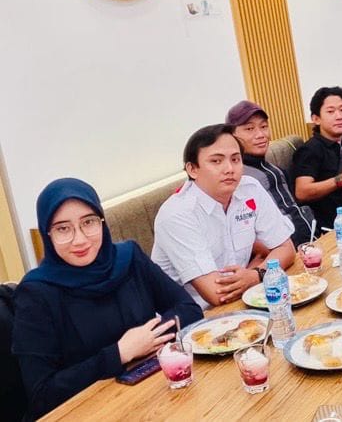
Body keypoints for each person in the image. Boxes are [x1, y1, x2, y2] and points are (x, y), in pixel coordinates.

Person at [12, 178, 203, 419]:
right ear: (47, 234)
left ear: (102, 221)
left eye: (88, 222)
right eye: (63, 228)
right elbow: (42, 394)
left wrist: (148, 338)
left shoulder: (128, 258)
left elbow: (189, 309)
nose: (80, 239)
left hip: (153, 397)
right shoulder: (36, 294)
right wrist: (120, 353)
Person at [152, 124, 295, 307]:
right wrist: (260, 272)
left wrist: (255, 274)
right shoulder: (177, 214)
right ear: (192, 169)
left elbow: (286, 249)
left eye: (235, 159)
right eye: (216, 161)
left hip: (244, 299)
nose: (229, 169)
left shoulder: (249, 188)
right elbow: (217, 294)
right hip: (195, 315)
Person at [225, 100, 315, 248]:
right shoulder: (237, 178)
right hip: (283, 252)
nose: (260, 135)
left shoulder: (274, 169)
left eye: (264, 127)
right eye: (249, 129)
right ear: (232, 135)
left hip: (309, 244)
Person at [293, 86, 342, 230]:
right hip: (338, 226)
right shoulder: (310, 150)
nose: (339, 116)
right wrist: (341, 179)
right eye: (330, 112)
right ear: (316, 119)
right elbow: (302, 192)